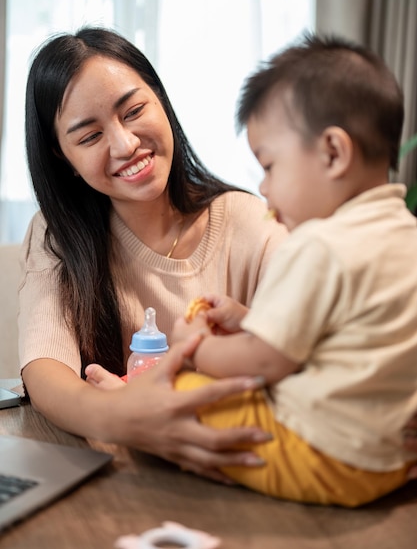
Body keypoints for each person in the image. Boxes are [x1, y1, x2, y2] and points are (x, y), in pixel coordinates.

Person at [19, 26, 288, 481]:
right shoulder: (57, 234)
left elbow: (311, 352)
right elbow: (45, 368)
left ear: (160, 99)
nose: (125, 145)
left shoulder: (250, 223)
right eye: (88, 137)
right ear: (61, 155)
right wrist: (125, 418)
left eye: (135, 110)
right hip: (119, 484)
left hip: (242, 475)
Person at [168, 33, 417, 506]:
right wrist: (248, 321)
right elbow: (342, 334)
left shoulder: (318, 244)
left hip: (322, 456)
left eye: (269, 165)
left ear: (332, 153)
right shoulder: (405, 236)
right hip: (392, 459)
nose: (263, 188)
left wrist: (192, 347)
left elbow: (266, 362)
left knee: (174, 388)